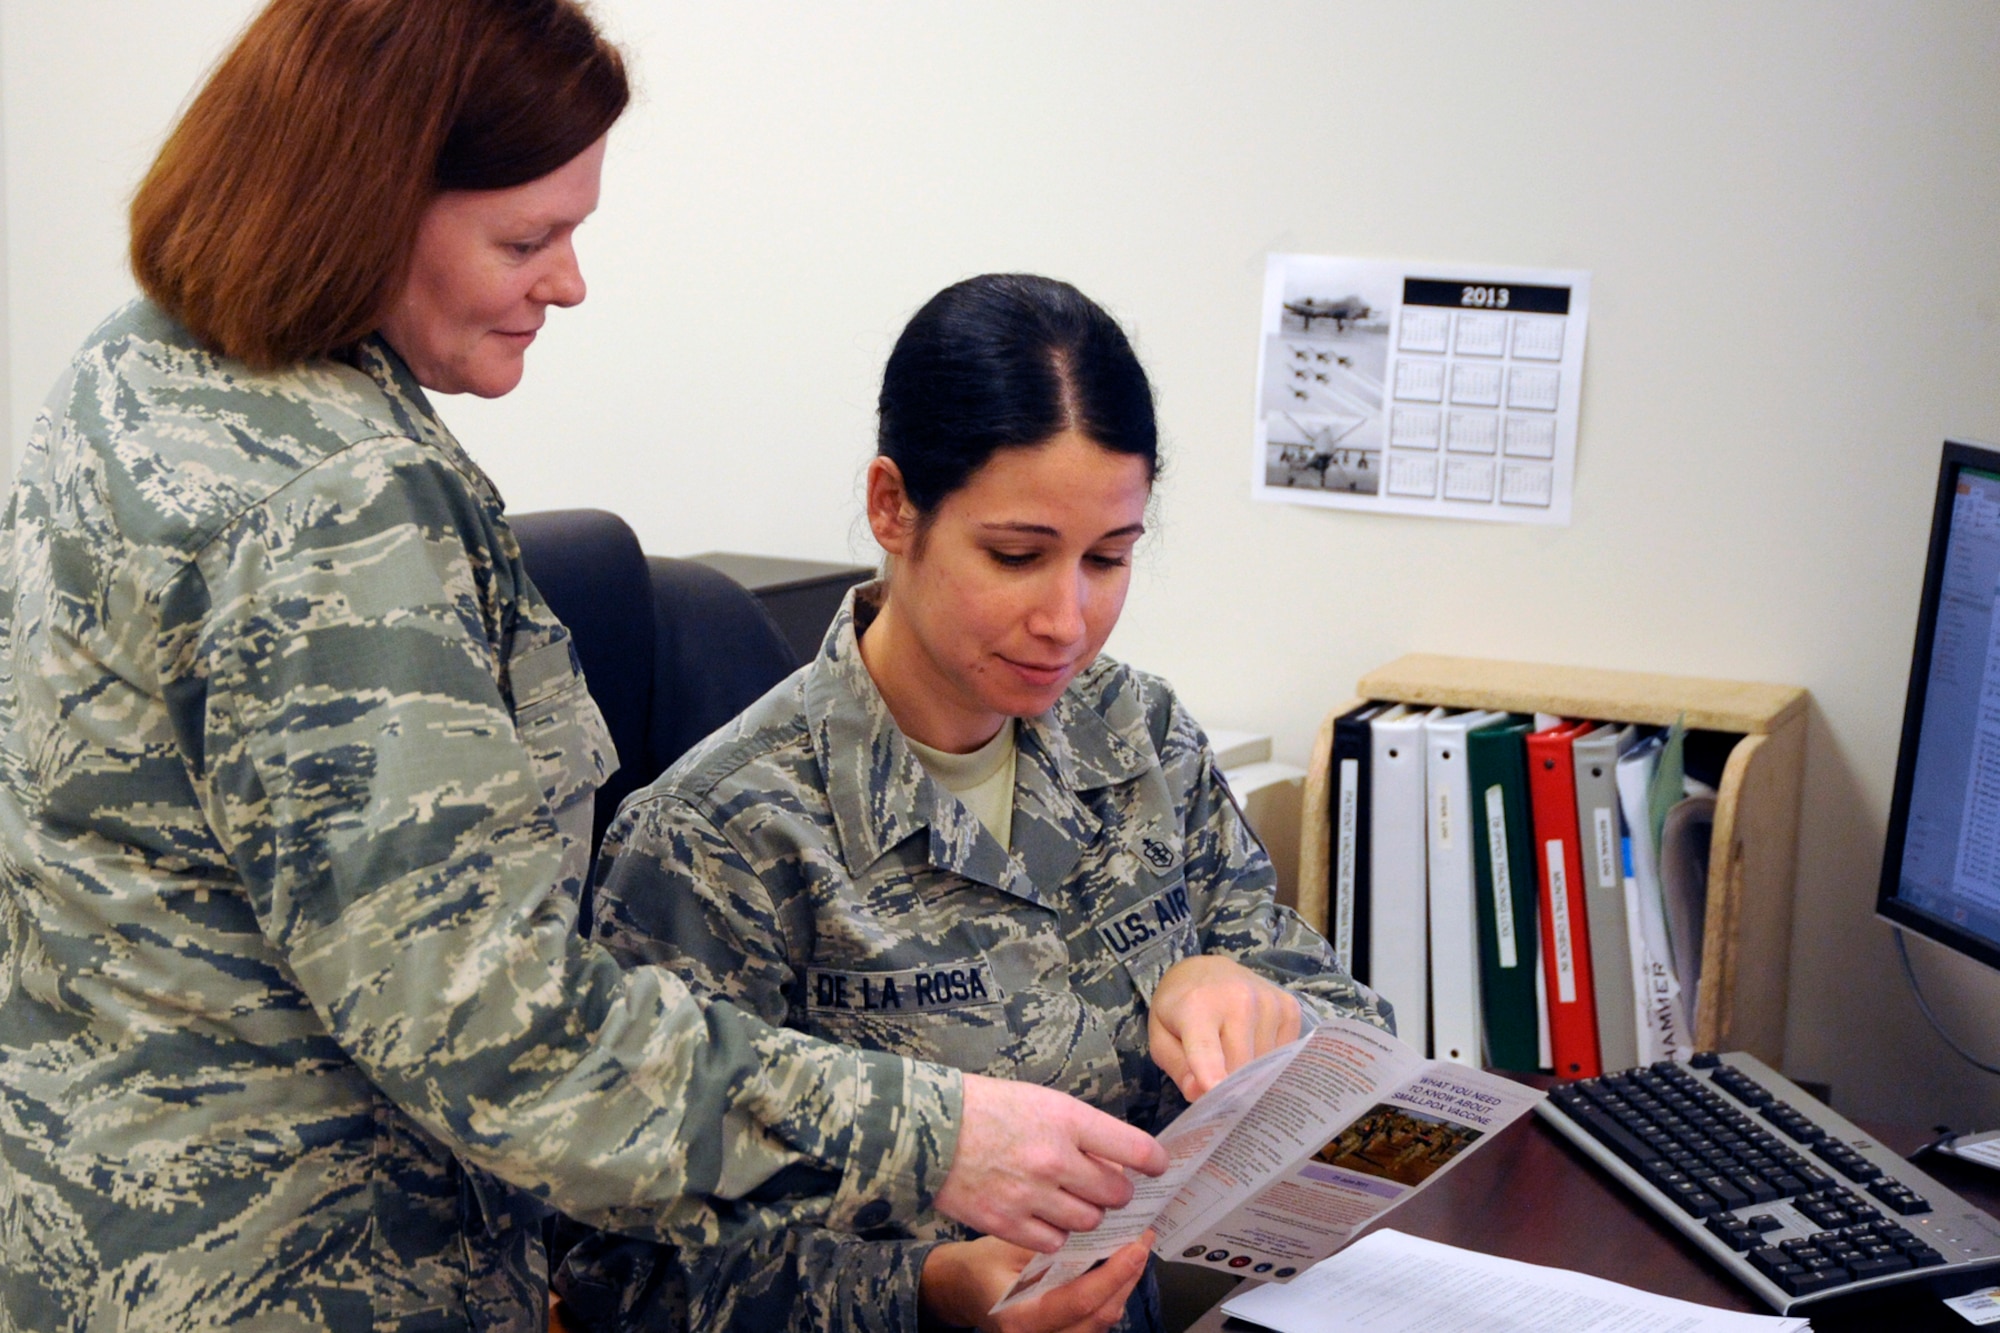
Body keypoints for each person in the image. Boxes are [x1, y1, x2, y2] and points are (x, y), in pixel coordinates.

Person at [0, 10, 1162, 1331]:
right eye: (526, 238)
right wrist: (932, 1135)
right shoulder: (342, 500)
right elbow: (492, 1030)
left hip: (91, 1235)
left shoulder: (138, 370)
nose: (568, 282)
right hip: (308, 1275)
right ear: (362, 201)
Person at [559, 274, 1393, 1332]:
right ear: (891, 507)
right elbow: (618, 1278)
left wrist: (1260, 1004)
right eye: (1015, 555)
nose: (1066, 618)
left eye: (1108, 559)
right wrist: (923, 1293)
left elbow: (1358, 1045)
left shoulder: (1138, 737)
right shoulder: (722, 833)